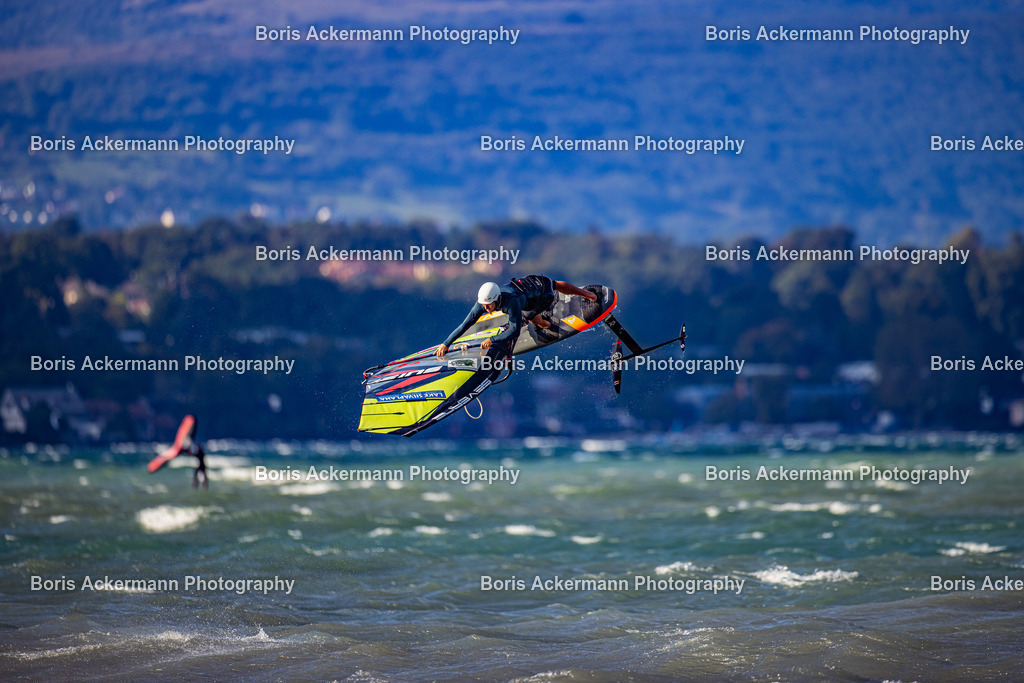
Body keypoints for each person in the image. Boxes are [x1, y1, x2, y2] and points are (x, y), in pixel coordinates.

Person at [435, 275, 597, 359]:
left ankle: (545, 324)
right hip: (533, 281)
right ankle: (587, 294)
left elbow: (515, 331)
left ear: (497, 299)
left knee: (529, 315)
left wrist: (492, 340)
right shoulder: (483, 302)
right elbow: (465, 324)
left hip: (542, 295)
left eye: (488, 306)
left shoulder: (511, 302)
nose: (485, 309)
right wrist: (446, 344)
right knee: (552, 282)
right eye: (483, 306)